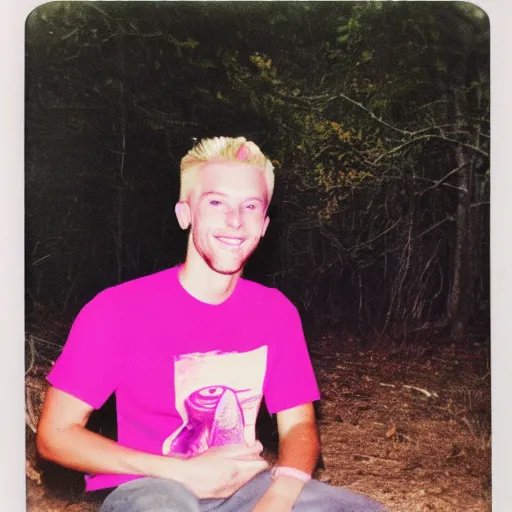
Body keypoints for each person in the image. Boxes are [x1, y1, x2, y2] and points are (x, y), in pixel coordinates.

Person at [36, 136, 385, 511]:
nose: (235, 220)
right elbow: (55, 435)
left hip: (243, 486)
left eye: (250, 206)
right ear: (185, 213)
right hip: (150, 487)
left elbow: (299, 427)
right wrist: (180, 471)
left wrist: (278, 498)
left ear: (264, 224)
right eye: (216, 202)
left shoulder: (276, 312)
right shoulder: (117, 310)